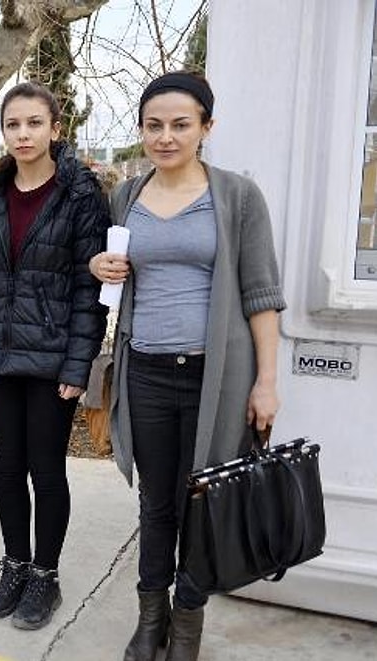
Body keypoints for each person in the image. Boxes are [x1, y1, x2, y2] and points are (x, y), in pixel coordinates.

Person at [90, 71, 285, 661]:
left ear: (206, 127)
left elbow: (261, 294)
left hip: (215, 379)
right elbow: (117, 271)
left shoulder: (237, 197)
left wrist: (267, 382)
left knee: (202, 503)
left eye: (180, 125)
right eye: (153, 126)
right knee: (156, 504)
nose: (165, 137)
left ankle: (187, 624)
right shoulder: (127, 197)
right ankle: (150, 619)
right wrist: (101, 266)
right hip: (146, 372)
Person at [0, 82, 110, 630]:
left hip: (51, 359)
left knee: (46, 470)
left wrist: (78, 364)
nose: (22, 134)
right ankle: (15, 566)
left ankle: (45, 574)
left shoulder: (80, 194)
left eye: (33, 123)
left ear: (55, 129)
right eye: (12, 125)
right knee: (7, 467)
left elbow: (89, 287)